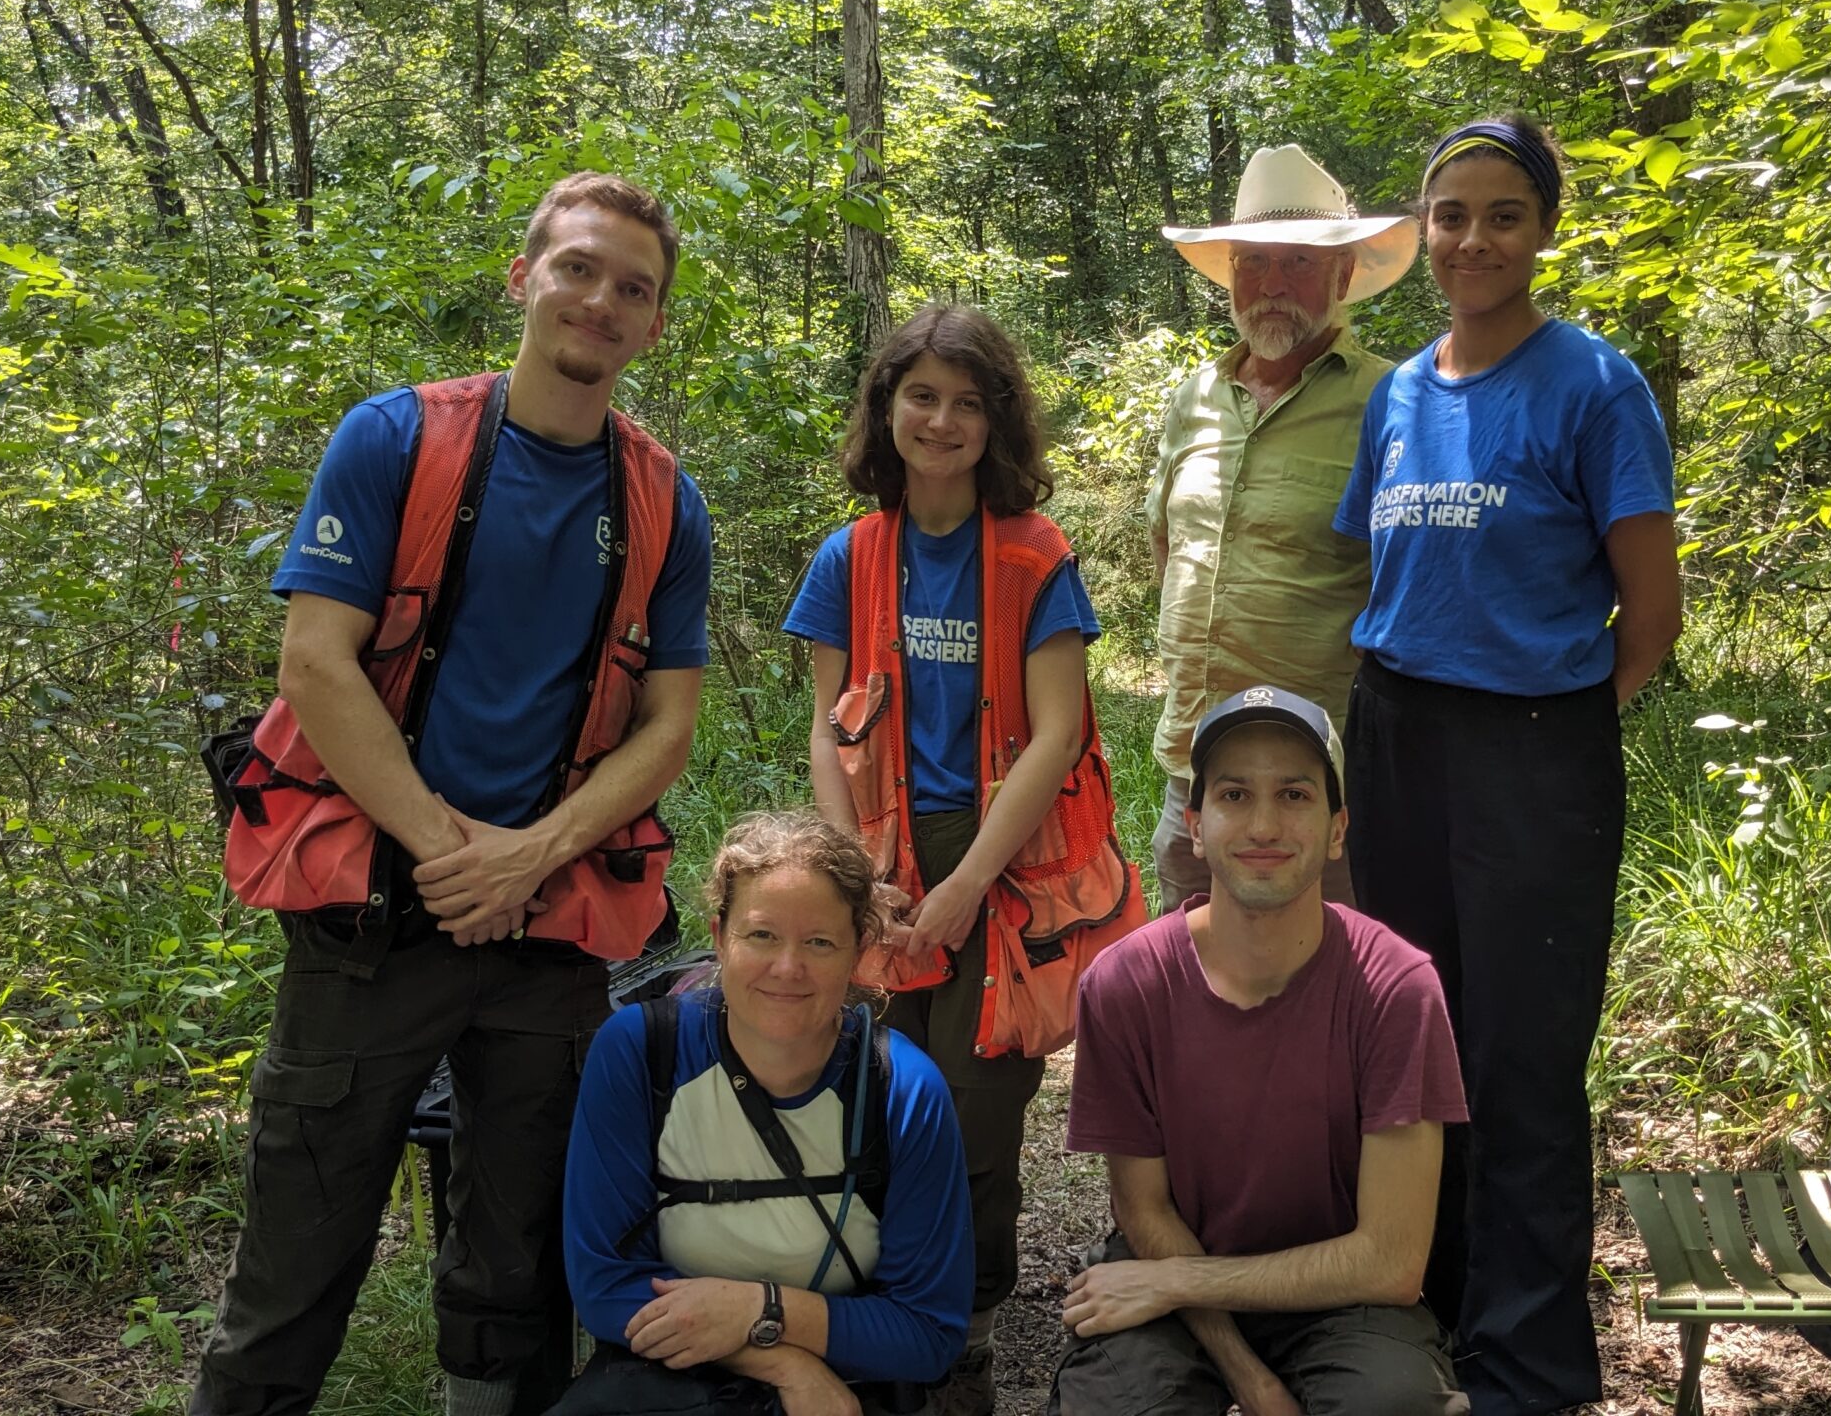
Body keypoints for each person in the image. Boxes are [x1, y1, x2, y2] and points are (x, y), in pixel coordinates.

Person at [191, 172, 714, 1416]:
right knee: (297, 1257)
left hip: (552, 931)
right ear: (523, 276)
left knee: (517, 1263)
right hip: (371, 917)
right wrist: (453, 854)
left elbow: (666, 724)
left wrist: (530, 858)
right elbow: (316, 661)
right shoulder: (395, 437)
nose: (600, 300)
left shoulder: (662, 501)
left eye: (632, 288)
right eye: (578, 268)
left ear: (651, 325)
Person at [1334, 114, 1683, 1415]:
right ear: (1421, 230)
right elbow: (1381, 574)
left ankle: (1527, 1365)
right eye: (1449, 214)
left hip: (1538, 751)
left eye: (1502, 215)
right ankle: (1423, 1312)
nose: (1473, 238)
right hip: (1398, 734)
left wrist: (1555, 720)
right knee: (1419, 1043)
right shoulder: (1399, 396)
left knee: (1525, 1060)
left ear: (1543, 230)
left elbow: (1650, 615)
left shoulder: (1594, 385)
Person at [785, 303, 1137, 1416]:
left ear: (998, 423)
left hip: (1006, 869)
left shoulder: (1036, 556)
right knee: (882, 1098)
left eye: (966, 403)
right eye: (920, 396)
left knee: (974, 1114)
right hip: (880, 867)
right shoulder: (852, 553)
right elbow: (825, 724)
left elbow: (1059, 734)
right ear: (887, 409)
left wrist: (966, 884)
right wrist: (851, 876)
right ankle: (889, 1312)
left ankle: (969, 1329)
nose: (940, 421)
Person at [1052, 686, 1470, 1416]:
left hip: (1339, 1291)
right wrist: (1250, 1377)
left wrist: (1185, 1282)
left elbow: (1392, 1263)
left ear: (1338, 829)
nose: (1265, 824)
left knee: (1396, 1403)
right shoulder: (1125, 984)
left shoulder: (1396, 986)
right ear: (1194, 824)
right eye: (1235, 794)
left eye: (1296, 795)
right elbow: (1144, 1209)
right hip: (1169, 1273)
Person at [558, 810, 976, 1416]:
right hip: (674, 1373)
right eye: (761, 936)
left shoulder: (902, 1089)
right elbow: (603, 1287)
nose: (788, 967)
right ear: (719, 934)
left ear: (860, 950)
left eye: (820, 942)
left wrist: (758, 1310)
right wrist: (780, 1357)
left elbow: (928, 1334)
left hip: (852, 1385)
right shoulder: (641, 1054)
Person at [1144, 144, 1419, 913]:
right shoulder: (1194, 397)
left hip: (1324, 779)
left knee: (1323, 996)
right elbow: (1169, 549)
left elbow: (1414, 585)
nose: (1269, 286)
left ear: (1343, 276)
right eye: (1252, 263)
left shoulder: (1393, 402)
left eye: (1296, 262)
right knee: (1193, 986)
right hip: (1193, 768)